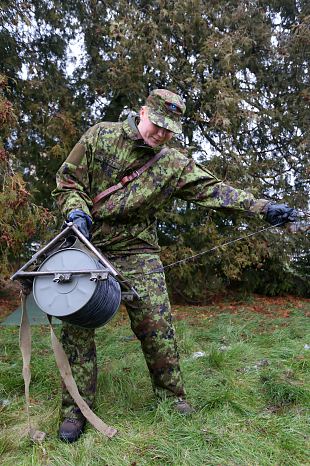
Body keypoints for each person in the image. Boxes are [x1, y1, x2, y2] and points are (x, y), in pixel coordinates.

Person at [52, 89, 297, 442]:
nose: (161, 134)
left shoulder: (172, 163)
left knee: (157, 322)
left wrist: (263, 208)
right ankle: (75, 410)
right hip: (87, 242)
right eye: (157, 125)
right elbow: (67, 181)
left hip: (138, 249)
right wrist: (76, 210)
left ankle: (173, 398)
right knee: (76, 325)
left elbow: (215, 191)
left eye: (169, 129)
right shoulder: (100, 136)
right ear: (142, 113)